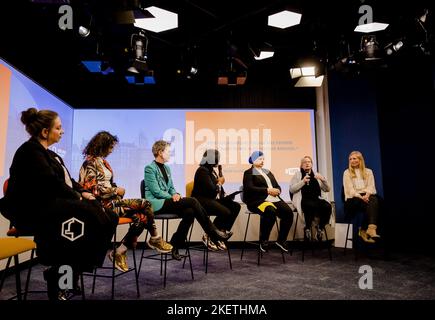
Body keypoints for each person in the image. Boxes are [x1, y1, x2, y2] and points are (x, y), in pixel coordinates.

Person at [0, 108, 117, 300]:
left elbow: (69, 180)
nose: (62, 132)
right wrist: (78, 198)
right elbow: (50, 183)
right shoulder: (30, 151)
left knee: (109, 217)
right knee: (90, 216)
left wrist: (84, 192)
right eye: (59, 128)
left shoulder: (52, 155)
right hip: (33, 210)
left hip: (54, 205)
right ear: (45, 132)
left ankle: (71, 272)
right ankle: (63, 275)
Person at [79, 131, 173, 272]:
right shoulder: (89, 163)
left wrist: (115, 189)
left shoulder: (103, 162)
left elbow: (108, 184)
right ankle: (155, 237)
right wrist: (115, 191)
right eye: (110, 147)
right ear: (102, 145)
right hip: (101, 205)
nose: (111, 150)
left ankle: (119, 251)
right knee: (146, 204)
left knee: (142, 217)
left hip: (112, 201)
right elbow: (93, 190)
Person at [144, 140, 232, 260]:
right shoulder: (149, 168)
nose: (170, 154)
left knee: (190, 212)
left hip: (167, 201)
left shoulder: (167, 169)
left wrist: (176, 194)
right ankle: (213, 232)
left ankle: (174, 245)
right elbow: (156, 191)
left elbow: (171, 188)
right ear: (160, 152)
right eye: (168, 151)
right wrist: (172, 197)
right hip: (156, 203)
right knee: (193, 201)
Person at [242, 150, 294, 252]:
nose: (262, 161)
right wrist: (267, 190)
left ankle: (281, 240)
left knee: (288, 213)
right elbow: (249, 188)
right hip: (257, 201)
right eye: (259, 159)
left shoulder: (268, 172)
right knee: (270, 211)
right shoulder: (248, 173)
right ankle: (264, 240)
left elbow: (277, 185)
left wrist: (278, 190)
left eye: (263, 159)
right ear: (252, 160)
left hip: (274, 199)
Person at [192, 149, 241, 251]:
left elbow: (217, 191)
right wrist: (219, 183)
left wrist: (226, 197)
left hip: (211, 199)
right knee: (226, 212)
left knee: (236, 206)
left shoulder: (212, 171)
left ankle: (220, 234)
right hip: (201, 201)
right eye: (217, 159)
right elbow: (211, 190)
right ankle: (209, 235)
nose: (218, 161)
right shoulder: (202, 170)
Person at [289, 156, 332, 241]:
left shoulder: (316, 175)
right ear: (301, 165)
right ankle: (307, 228)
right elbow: (292, 189)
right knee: (309, 205)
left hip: (317, 199)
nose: (307, 163)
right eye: (305, 162)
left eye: (309, 162)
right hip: (303, 199)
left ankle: (320, 227)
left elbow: (327, 189)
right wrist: (303, 181)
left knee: (327, 206)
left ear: (312, 164)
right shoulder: (297, 175)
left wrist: (323, 180)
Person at [343, 150, 380, 243]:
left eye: (354, 158)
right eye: (350, 159)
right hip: (353, 199)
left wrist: (367, 195)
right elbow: (350, 190)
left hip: (367, 196)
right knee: (372, 202)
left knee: (376, 201)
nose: (352, 161)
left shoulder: (368, 171)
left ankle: (369, 228)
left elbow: (371, 186)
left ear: (360, 160)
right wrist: (361, 196)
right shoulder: (347, 173)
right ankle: (365, 229)